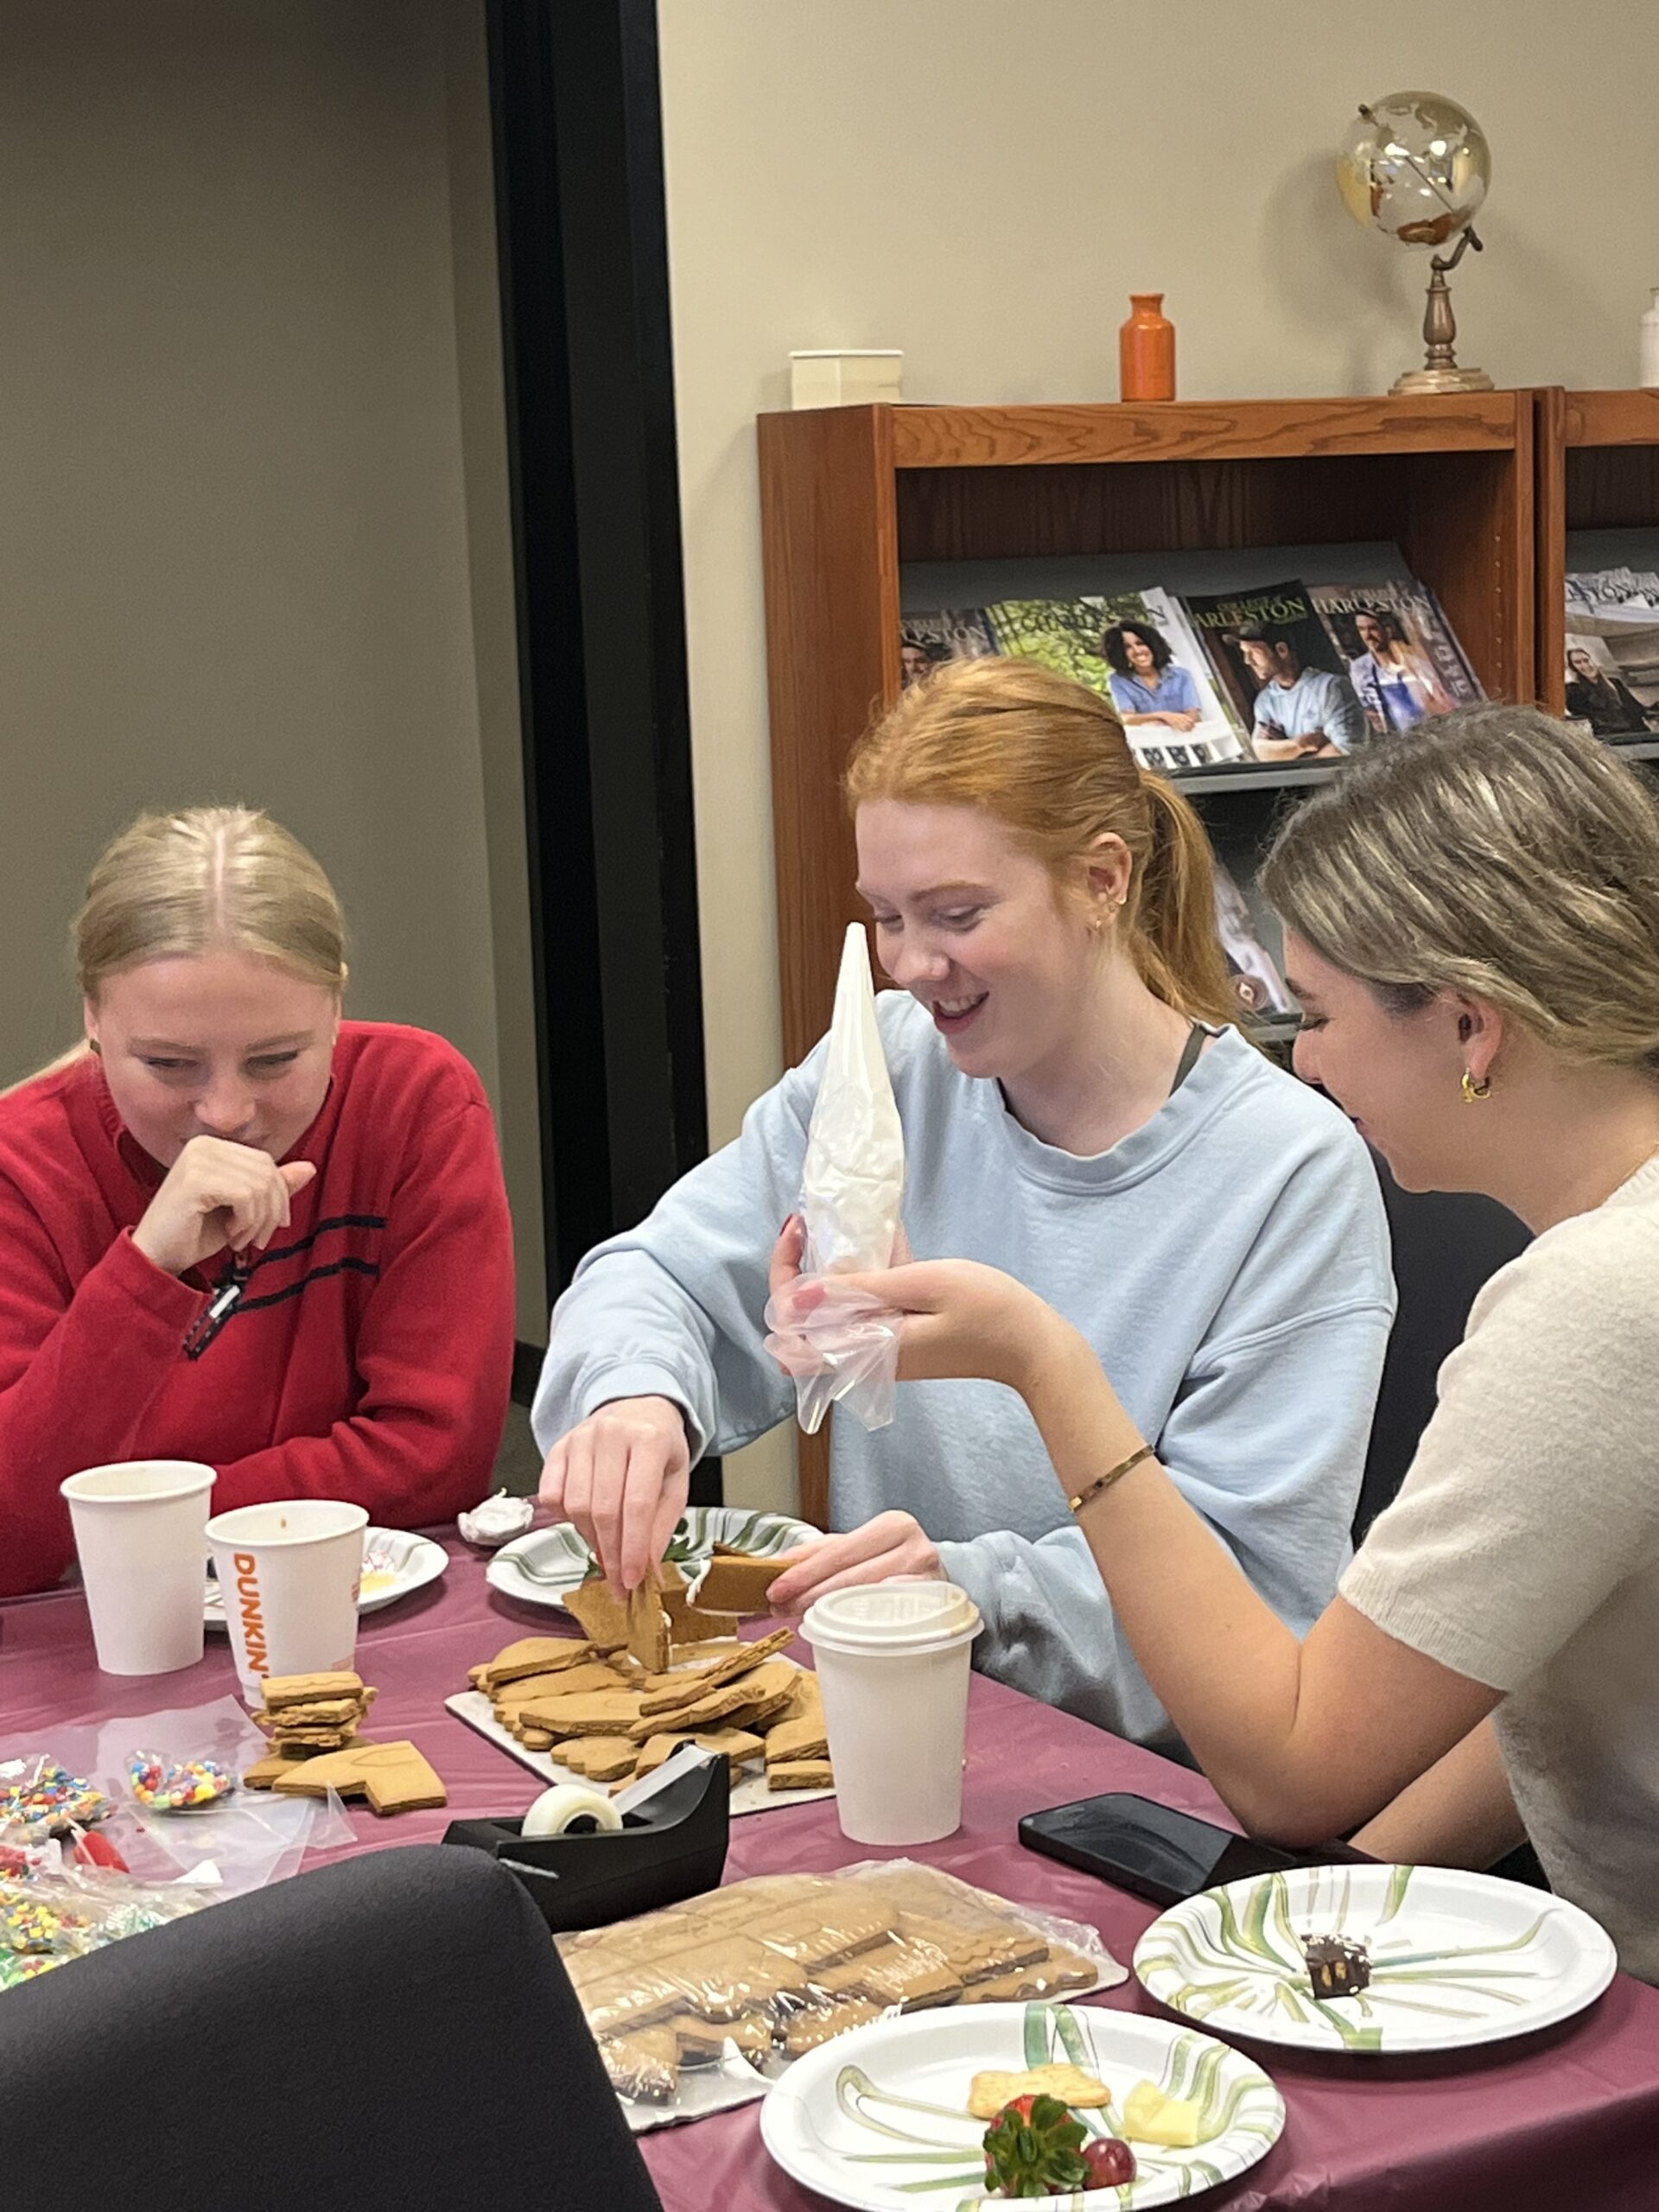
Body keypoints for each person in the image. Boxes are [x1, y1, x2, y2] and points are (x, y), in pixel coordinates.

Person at [787, 703, 1659, 1981]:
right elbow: (1522, 1671)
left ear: (1471, 1026)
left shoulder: (1595, 1307)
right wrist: (1329, 1903)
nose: (1308, 1067)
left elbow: (1290, 1769)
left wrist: (1045, 1362)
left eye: (1315, 1013)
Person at [535, 656, 1394, 1742]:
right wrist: (636, 1396)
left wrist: (972, 1589)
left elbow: (1251, 1591)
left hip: (1144, 1783)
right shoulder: (889, 1067)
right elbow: (654, 1275)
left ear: (1103, 879)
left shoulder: (1288, 1173)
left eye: (956, 913)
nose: (912, 966)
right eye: (887, 918)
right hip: (899, 1725)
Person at [0, 806, 515, 1600]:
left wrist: (127, 1524)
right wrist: (148, 1269)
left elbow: (434, 1460)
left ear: (337, 1008)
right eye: (170, 1065)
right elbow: (10, 1540)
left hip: (357, 1612)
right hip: (102, 1639)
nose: (226, 1113)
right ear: (93, 1018)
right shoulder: (20, 1167)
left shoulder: (415, 1101)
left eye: (275, 1059)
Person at [1233, 621, 1368, 761]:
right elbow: (1262, 752)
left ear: (1282, 650)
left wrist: (1286, 753)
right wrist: (1301, 744)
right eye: (1245, 653)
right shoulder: (1265, 701)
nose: (1248, 661)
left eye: (1255, 652)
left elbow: (1348, 750)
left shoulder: (1331, 687)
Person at [1345, 606, 1452, 734]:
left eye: (1373, 628)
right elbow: (1366, 707)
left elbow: (1442, 702)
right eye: (1362, 629)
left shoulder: (1417, 663)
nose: (1367, 636)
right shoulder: (1359, 668)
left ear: (1388, 631)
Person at [1101, 621, 1202, 733]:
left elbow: (1193, 716)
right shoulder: (1118, 681)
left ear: (1153, 644)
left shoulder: (1181, 675)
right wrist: (1164, 716)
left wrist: (1156, 723)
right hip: (1151, 744)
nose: (1137, 651)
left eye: (1140, 643)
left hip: (1188, 739)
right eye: (1127, 647)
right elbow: (1128, 719)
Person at [1563, 642, 1650, 737]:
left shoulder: (1615, 683)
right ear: (1572, 667)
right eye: (1578, 663)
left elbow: (1636, 708)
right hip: (1609, 736)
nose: (1585, 665)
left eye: (1586, 660)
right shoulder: (1573, 690)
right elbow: (1586, 715)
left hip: (1636, 733)